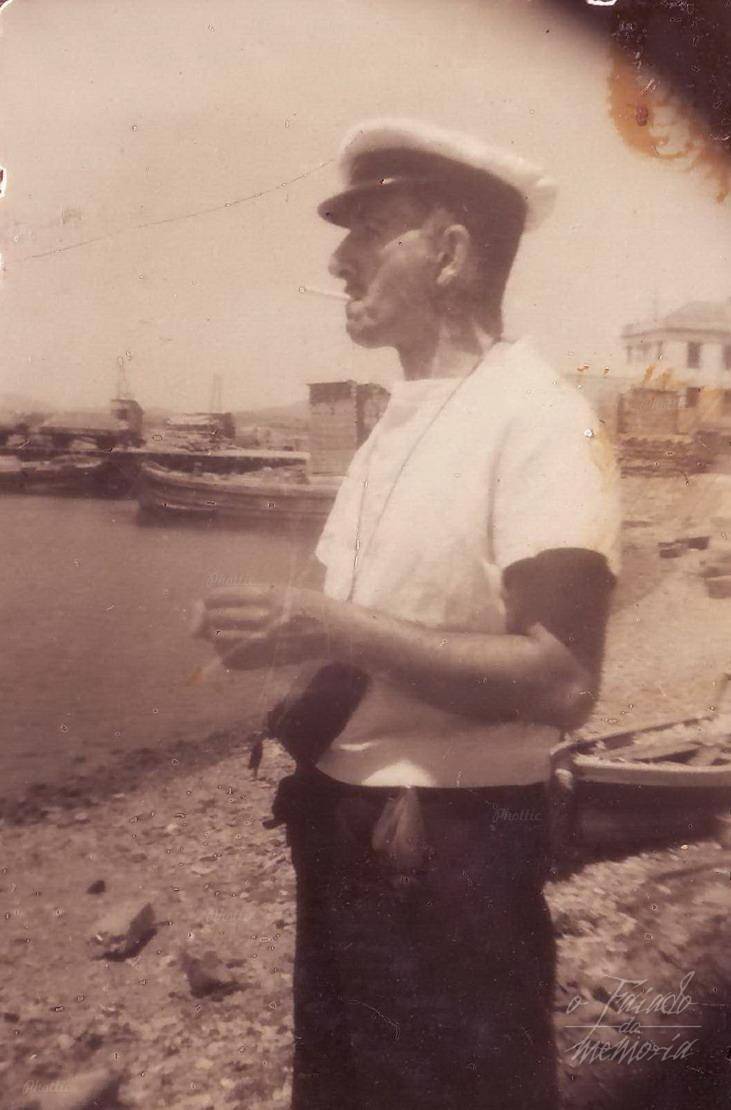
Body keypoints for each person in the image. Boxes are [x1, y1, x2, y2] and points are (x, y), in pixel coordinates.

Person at [201, 119, 620, 1110]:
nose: (337, 259)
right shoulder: (401, 419)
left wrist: (332, 628)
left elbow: (562, 680)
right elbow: (385, 629)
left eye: (367, 229)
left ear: (450, 252)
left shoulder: (539, 418)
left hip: (450, 859)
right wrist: (287, 650)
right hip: (345, 836)